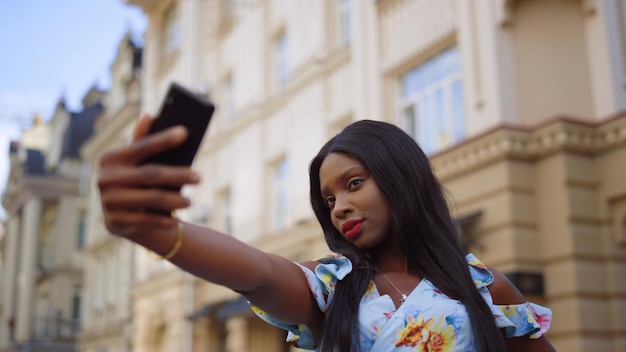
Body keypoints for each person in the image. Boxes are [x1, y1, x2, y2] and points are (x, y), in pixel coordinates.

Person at [98, 116, 555, 351]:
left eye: (354, 184)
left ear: (403, 177)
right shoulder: (334, 285)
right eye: (329, 199)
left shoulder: (484, 288)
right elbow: (258, 273)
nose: (341, 207)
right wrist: (158, 232)